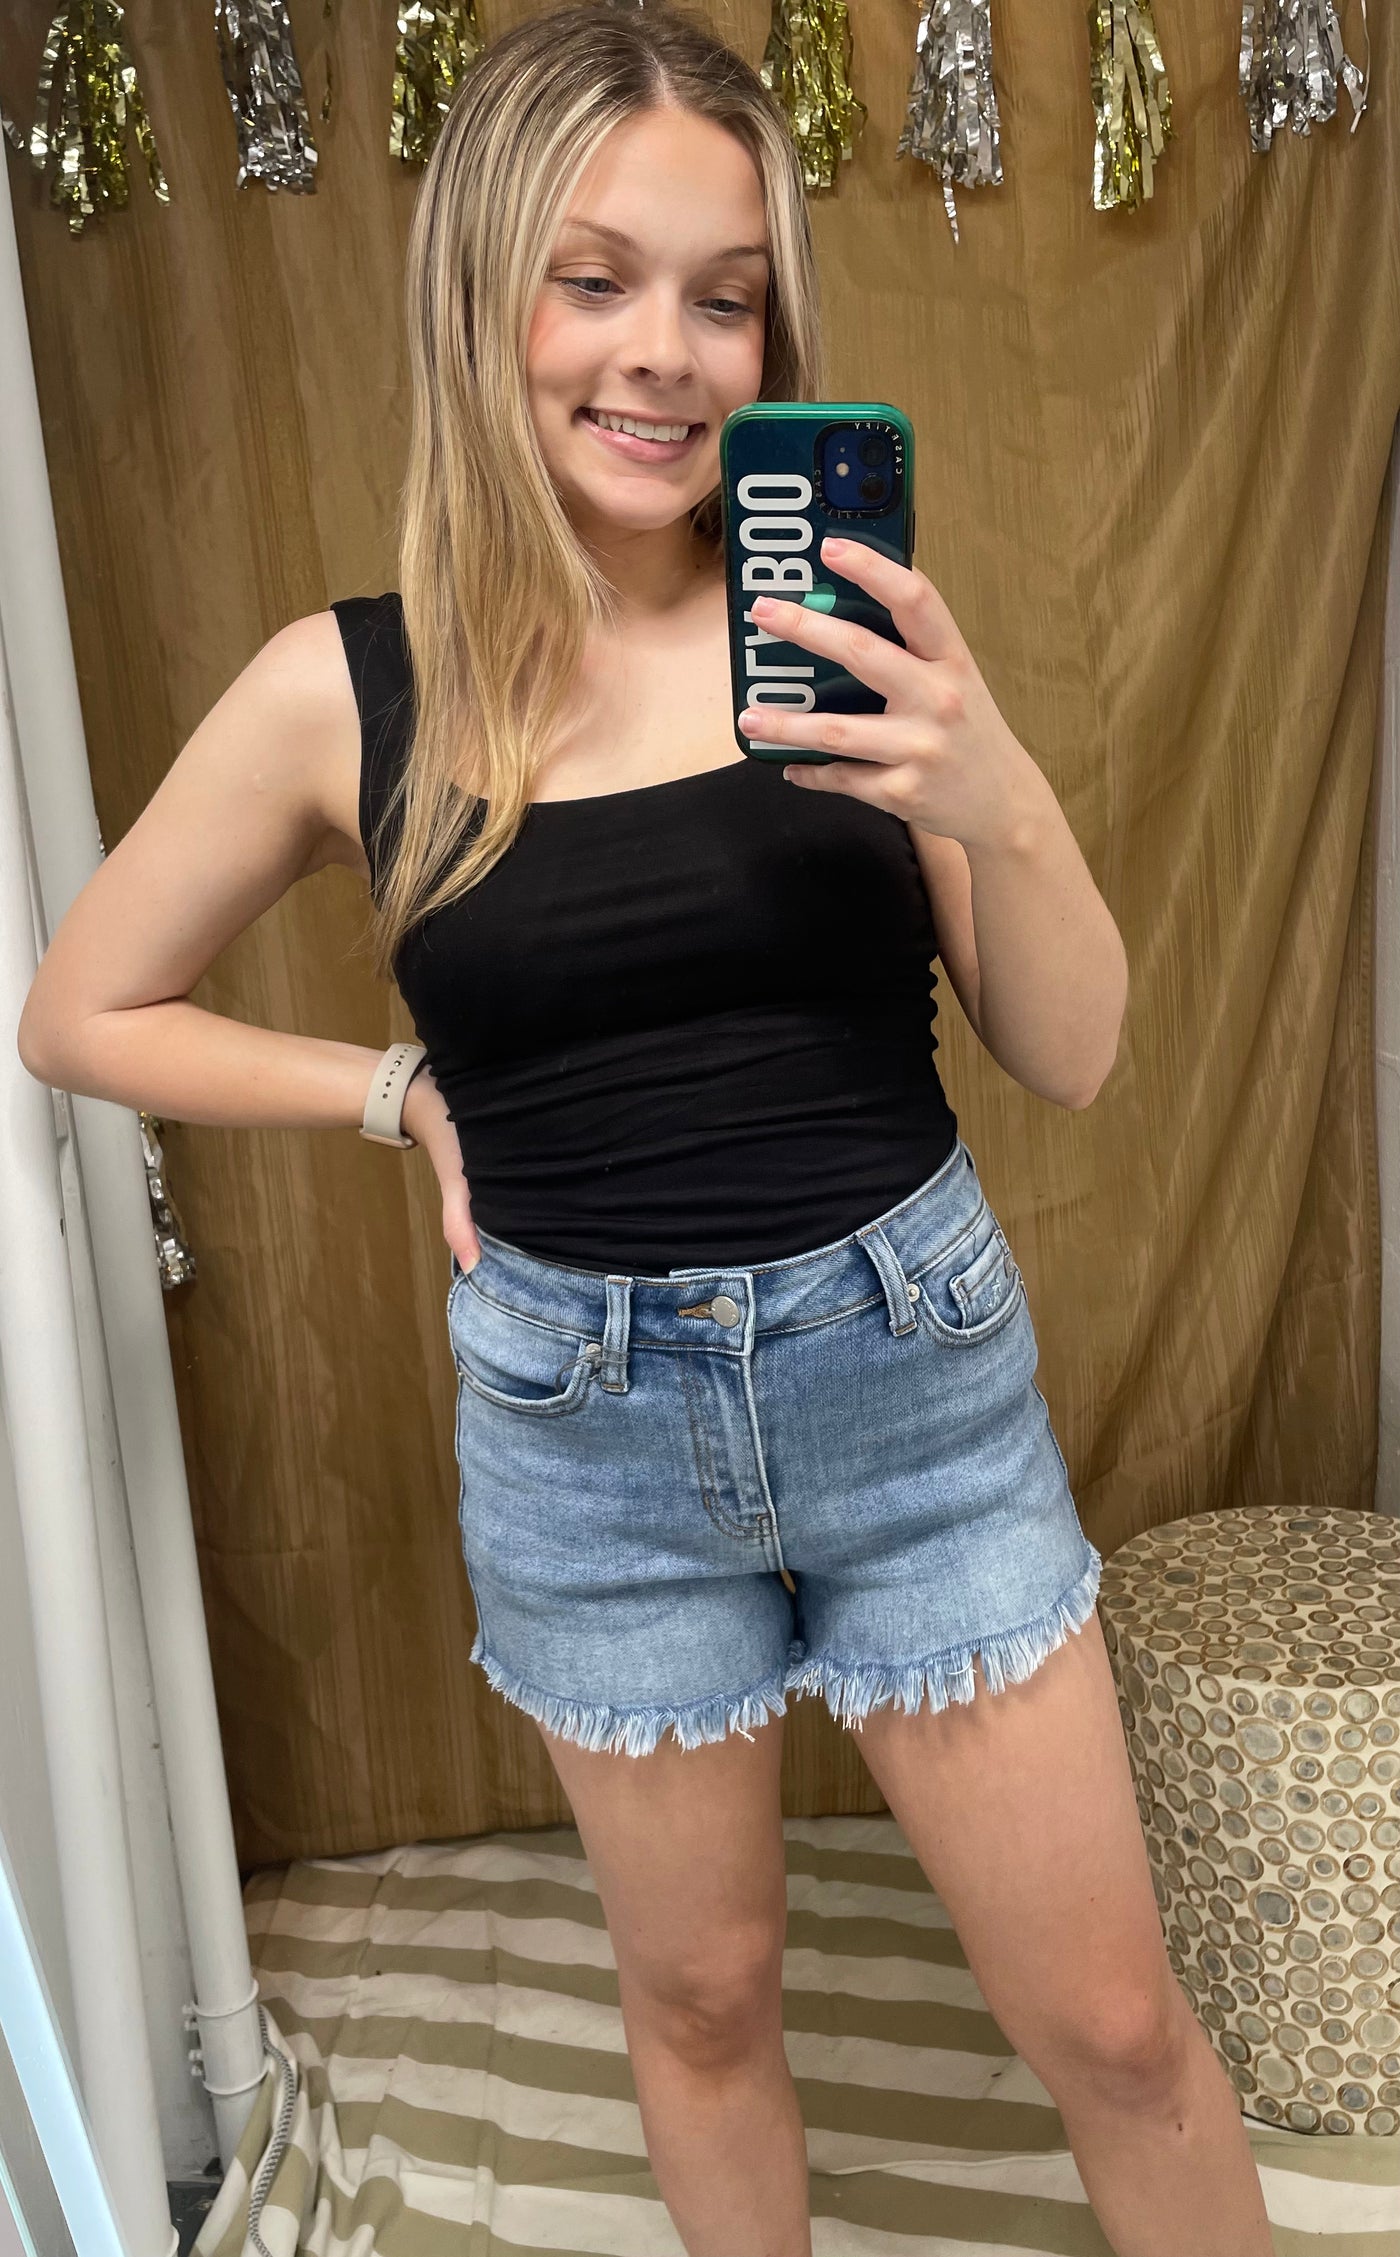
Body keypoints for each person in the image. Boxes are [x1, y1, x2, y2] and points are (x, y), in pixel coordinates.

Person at [18, 7, 1274, 2253]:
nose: (666, 354)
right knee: (699, 2002)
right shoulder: (348, 688)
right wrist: (392, 1090)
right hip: (581, 1434)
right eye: (593, 280)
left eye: (725, 296)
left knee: (1109, 2023)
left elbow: (1072, 1053)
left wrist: (994, 790)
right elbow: (78, 1008)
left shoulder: (850, 628)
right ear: (480, 296)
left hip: (910, 1385)